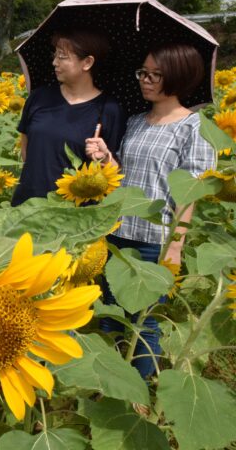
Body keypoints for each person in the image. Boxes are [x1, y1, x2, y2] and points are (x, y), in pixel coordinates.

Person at [85, 42, 217, 379]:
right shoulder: (135, 121)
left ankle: (138, 394)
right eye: (143, 72)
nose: (145, 79)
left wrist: (175, 248)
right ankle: (110, 385)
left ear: (178, 78)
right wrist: (105, 159)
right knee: (109, 313)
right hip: (118, 233)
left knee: (145, 322)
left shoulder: (194, 127)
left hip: (154, 240)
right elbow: (124, 177)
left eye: (155, 74)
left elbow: (190, 193)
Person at [11, 29, 126, 206]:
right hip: (27, 206)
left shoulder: (109, 109)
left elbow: (115, 173)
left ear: (87, 62)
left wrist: (104, 158)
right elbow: (27, 151)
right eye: (54, 55)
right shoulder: (39, 98)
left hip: (74, 215)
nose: (54, 62)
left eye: (62, 56)